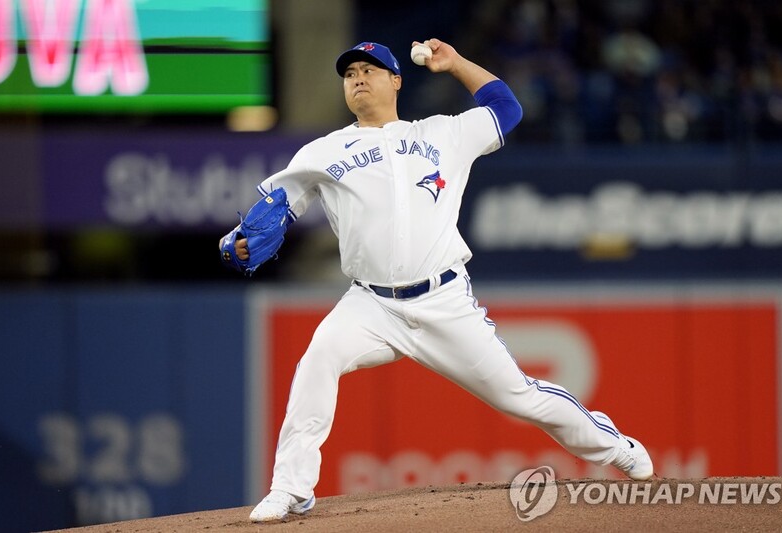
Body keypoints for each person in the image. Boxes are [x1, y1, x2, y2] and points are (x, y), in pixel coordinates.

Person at [229, 39, 653, 523]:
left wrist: (455, 65)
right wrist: (235, 243)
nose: (359, 78)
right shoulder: (323, 152)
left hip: (444, 299)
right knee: (318, 359)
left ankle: (614, 447)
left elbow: (505, 108)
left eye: (370, 69)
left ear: (397, 80)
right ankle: (291, 488)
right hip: (370, 305)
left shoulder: (442, 134)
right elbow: (261, 217)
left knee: (518, 396)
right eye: (350, 74)